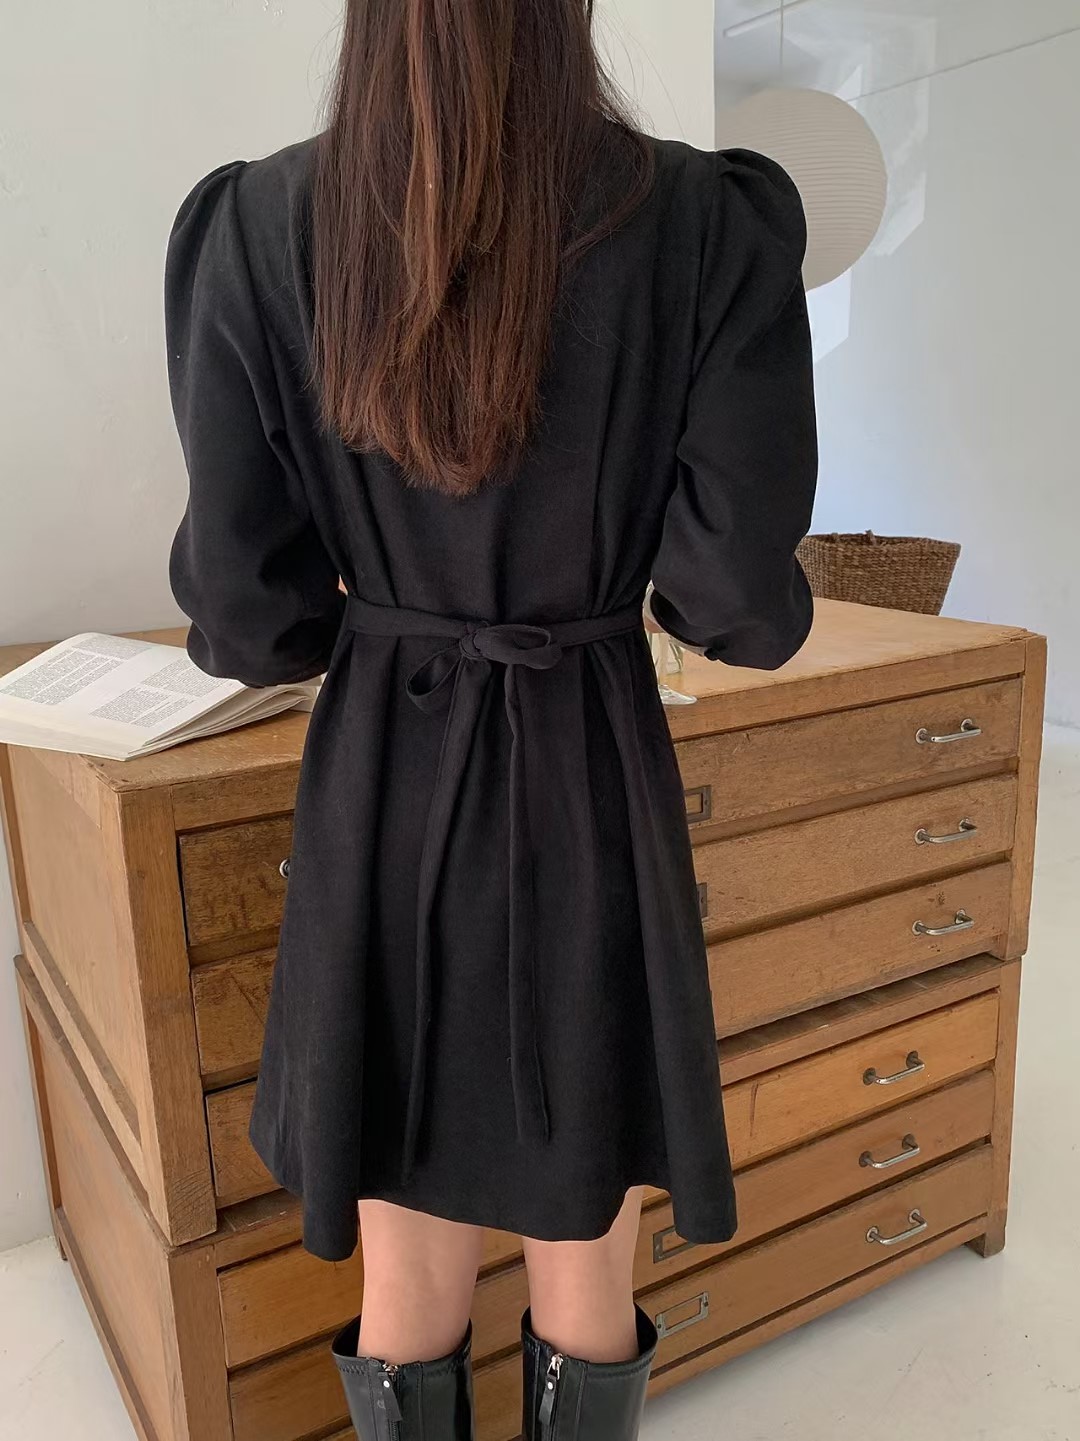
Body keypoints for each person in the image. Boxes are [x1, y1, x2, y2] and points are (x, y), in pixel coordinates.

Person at [164, 0, 817, 1435]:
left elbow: (251, 616)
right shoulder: (702, 223)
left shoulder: (262, 227)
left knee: (405, 1257)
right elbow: (735, 604)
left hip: (386, 783)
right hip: (593, 771)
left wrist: (380, 588)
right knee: (587, 1241)